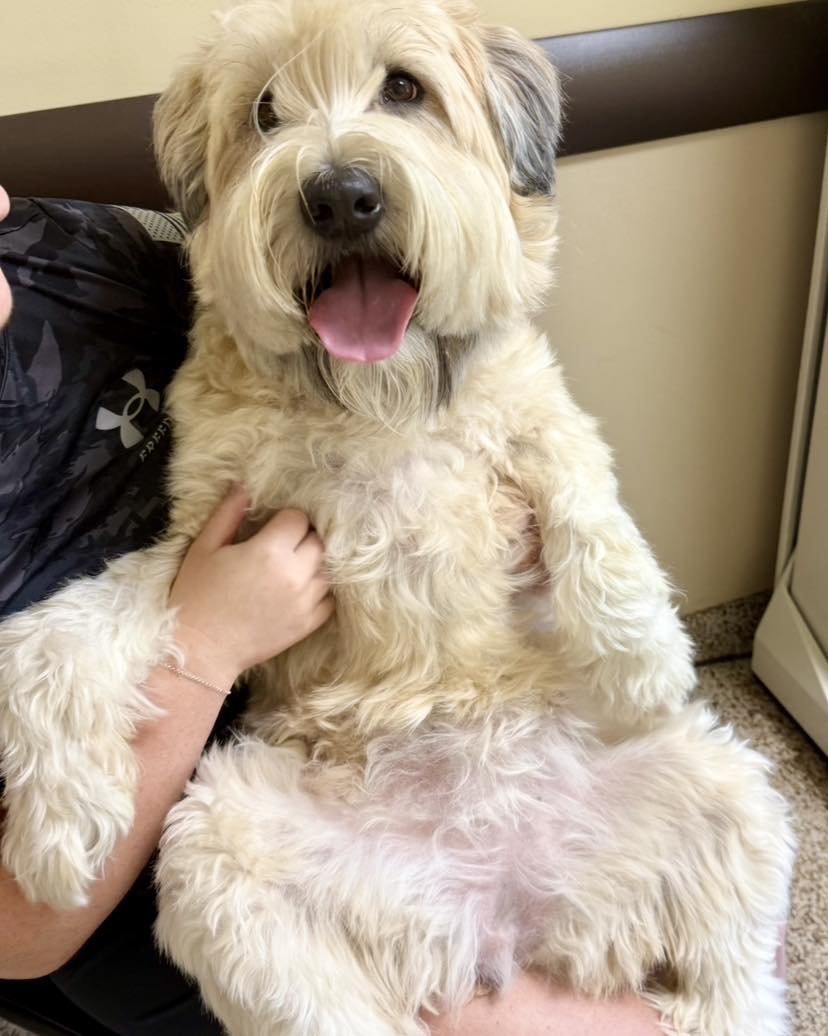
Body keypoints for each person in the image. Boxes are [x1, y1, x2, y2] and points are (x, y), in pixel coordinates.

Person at [0, 183, 663, 1034]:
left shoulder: (88, 249)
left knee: (675, 912)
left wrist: (492, 521)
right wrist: (205, 643)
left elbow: (394, 349)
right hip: (161, 849)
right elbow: (20, 938)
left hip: (400, 695)